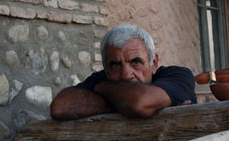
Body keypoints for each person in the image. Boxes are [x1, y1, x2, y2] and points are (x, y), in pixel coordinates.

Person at [50, 24, 197, 120]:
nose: (126, 74)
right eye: (115, 64)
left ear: (154, 63)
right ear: (105, 68)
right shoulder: (103, 78)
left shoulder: (178, 76)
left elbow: (140, 103)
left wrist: (103, 89)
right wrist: (122, 103)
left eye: (135, 62)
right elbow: (60, 107)